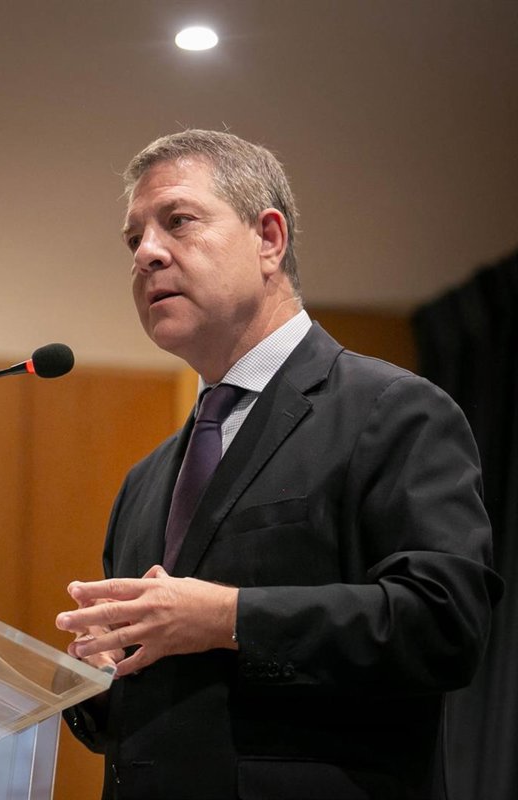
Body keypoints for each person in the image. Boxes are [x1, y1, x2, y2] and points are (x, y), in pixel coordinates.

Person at [55, 129, 503, 799]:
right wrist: (96, 675)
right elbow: (154, 707)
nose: (146, 253)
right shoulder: (143, 482)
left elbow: (445, 625)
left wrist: (230, 617)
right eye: (134, 240)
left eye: (178, 221)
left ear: (269, 238)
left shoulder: (393, 411)